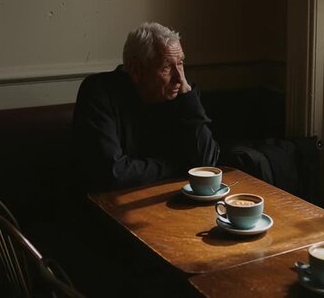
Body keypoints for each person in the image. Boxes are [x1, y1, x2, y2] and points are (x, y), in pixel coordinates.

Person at [73, 22, 220, 191]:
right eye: (166, 67)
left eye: (180, 63)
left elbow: (207, 164)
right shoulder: (98, 92)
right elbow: (113, 173)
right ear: (136, 70)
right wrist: (178, 166)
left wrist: (188, 97)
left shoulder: (181, 94)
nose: (179, 78)